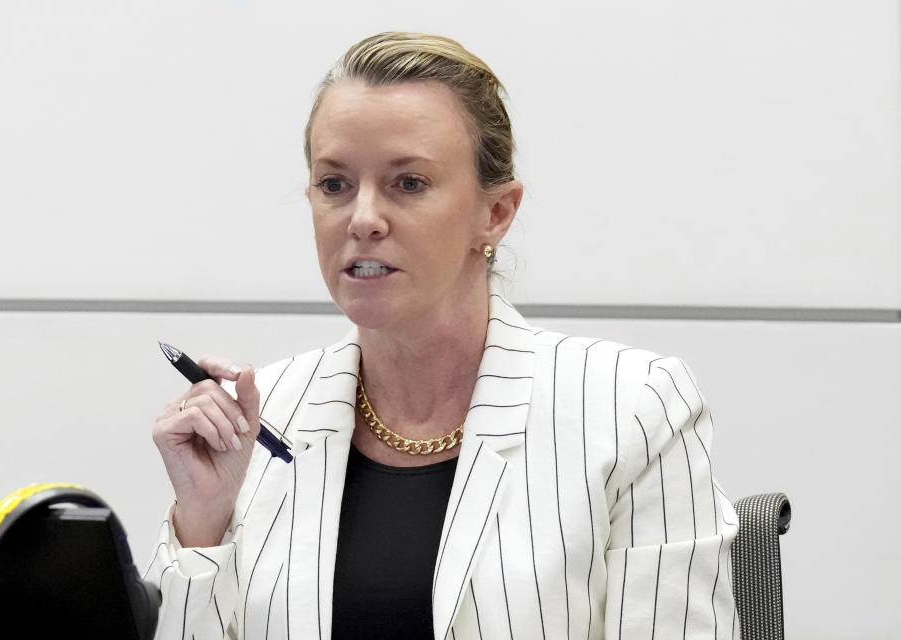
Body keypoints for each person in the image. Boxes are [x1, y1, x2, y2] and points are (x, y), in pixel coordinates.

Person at [145, 32, 740, 640]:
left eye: (409, 183)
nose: (363, 218)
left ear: (497, 213)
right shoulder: (260, 422)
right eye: (334, 184)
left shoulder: (631, 408)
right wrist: (204, 520)